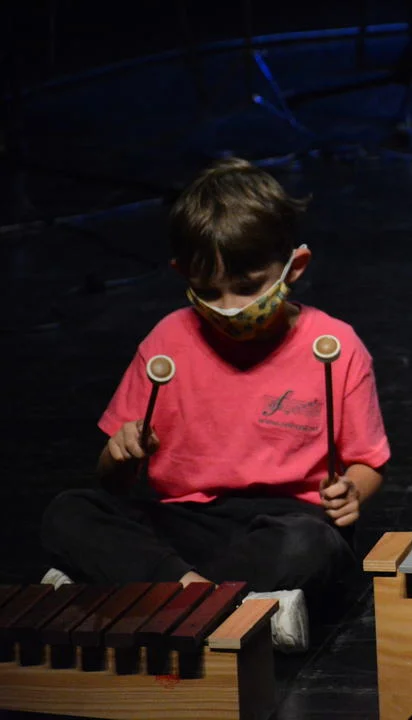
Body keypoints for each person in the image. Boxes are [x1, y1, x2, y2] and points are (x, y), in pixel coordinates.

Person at [38, 157, 391, 653]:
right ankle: (229, 607)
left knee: (311, 545)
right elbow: (113, 482)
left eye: (247, 288)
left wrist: (352, 490)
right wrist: (119, 454)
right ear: (182, 273)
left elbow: (368, 460)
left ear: (295, 267)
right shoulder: (166, 341)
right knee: (68, 512)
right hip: (185, 523)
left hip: (285, 521)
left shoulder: (335, 345)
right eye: (208, 292)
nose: (229, 308)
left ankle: (140, 596)